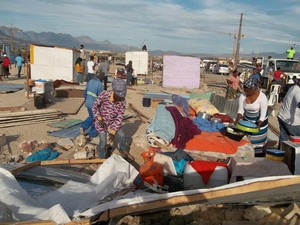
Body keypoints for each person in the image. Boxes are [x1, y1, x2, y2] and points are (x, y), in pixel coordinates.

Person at [92, 78, 133, 160]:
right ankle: (101, 156)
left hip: (113, 122)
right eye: (120, 97)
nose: (121, 99)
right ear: (114, 92)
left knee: (121, 135)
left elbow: (120, 117)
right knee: (103, 141)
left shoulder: (122, 102)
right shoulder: (104, 95)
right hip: (101, 122)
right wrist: (99, 118)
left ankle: (123, 149)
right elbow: (95, 107)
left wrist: (113, 131)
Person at [235, 78, 269, 157]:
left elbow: (263, 115)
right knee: (247, 140)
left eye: (247, 90)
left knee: (258, 142)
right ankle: (247, 156)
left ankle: (258, 157)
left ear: (254, 89)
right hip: (248, 120)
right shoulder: (243, 96)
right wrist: (237, 120)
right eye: (245, 90)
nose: (246, 92)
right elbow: (240, 110)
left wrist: (259, 125)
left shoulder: (262, 98)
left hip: (260, 121)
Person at [80, 73, 104, 139]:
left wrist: (87, 100)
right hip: (94, 105)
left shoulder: (90, 81)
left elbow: (85, 93)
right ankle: (92, 134)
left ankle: (83, 126)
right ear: (101, 78)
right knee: (96, 119)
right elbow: (101, 97)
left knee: (91, 117)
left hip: (88, 103)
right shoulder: (100, 85)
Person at [277, 77, 300, 146]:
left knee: (283, 140)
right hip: (291, 122)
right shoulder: (298, 91)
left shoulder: (293, 87)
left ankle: (281, 154)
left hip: (282, 116)